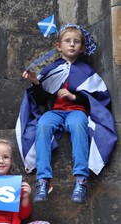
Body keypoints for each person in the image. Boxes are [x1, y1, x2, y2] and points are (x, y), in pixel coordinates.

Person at [18, 23, 117, 204]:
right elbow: (41, 100)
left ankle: (81, 179)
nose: (71, 44)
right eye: (67, 41)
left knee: (79, 126)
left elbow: (98, 98)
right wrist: (35, 83)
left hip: (76, 112)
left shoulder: (87, 72)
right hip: (55, 112)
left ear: (82, 48)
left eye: (76, 42)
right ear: (58, 46)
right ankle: (43, 180)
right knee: (43, 125)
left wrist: (74, 96)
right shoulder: (51, 69)